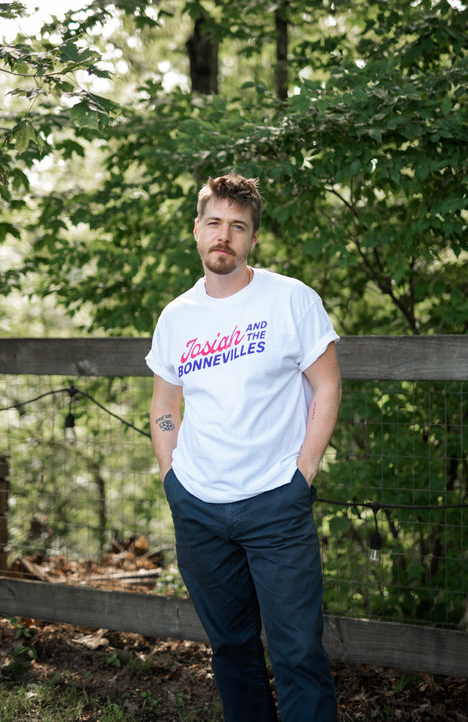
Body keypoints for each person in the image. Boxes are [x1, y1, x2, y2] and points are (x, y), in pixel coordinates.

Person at [146, 171, 341, 722]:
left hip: (275, 503)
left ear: (252, 237)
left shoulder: (290, 299)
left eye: (238, 226)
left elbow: (326, 386)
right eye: (214, 223)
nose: (224, 235)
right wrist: (172, 479)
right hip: (200, 508)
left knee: (298, 651)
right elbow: (165, 405)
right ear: (196, 230)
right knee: (230, 649)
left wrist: (302, 473)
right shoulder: (177, 317)